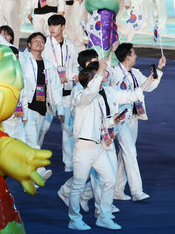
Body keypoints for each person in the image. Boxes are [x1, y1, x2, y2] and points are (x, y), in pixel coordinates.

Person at [67, 60, 155, 231]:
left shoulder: (101, 95)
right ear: (91, 81)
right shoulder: (80, 96)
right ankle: (74, 219)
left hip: (99, 146)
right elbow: (90, 91)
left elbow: (128, 98)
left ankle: (104, 216)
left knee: (110, 180)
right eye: (98, 77)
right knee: (77, 185)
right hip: (84, 148)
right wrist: (100, 70)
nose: (103, 77)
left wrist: (112, 121)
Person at [111, 43, 165, 202]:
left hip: (134, 118)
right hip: (120, 120)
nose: (136, 56)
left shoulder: (135, 72)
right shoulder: (115, 74)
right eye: (134, 54)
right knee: (130, 153)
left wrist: (159, 69)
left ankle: (117, 190)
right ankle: (137, 191)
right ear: (127, 56)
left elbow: (149, 87)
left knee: (124, 155)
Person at [19, 32, 61, 181]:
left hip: (42, 109)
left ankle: (31, 178)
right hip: (27, 107)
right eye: (35, 40)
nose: (39, 42)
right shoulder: (23, 58)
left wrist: (59, 109)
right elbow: (8, 47)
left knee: (33, 141)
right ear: (29, 44)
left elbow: (55, 88)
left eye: (42, 41)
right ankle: (41, 170)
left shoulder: (49, 65)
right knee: (31, 140)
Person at [42, 14, 78, 172]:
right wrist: (56, 78)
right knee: (42, 127)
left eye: (55, 25)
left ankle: (69, 163)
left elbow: (75, 66)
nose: (52, 28)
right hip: (50, 93)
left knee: (68, 128)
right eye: (50, 25)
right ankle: (33, 160)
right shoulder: (44, 44)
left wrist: (72, 77)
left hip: (67, 92)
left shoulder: (71, 45)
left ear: (63, 27)